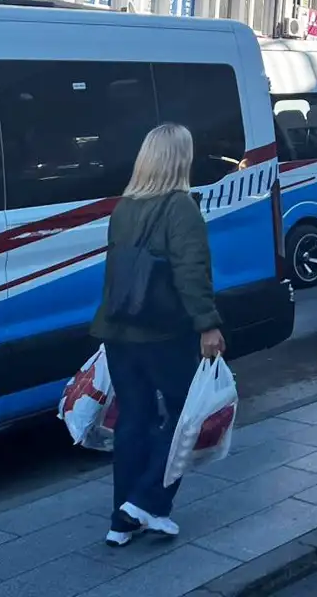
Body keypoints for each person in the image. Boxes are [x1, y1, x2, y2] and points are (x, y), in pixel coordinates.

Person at [90, 123, 226, 548]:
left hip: (118, 330)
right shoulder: (181, 206)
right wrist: (208, 323)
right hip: (163, 332)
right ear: (179, 159)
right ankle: (146, 501)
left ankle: (122, 520)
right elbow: (191, 272)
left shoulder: (124, 206)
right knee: (187, 415)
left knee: (134, 420)